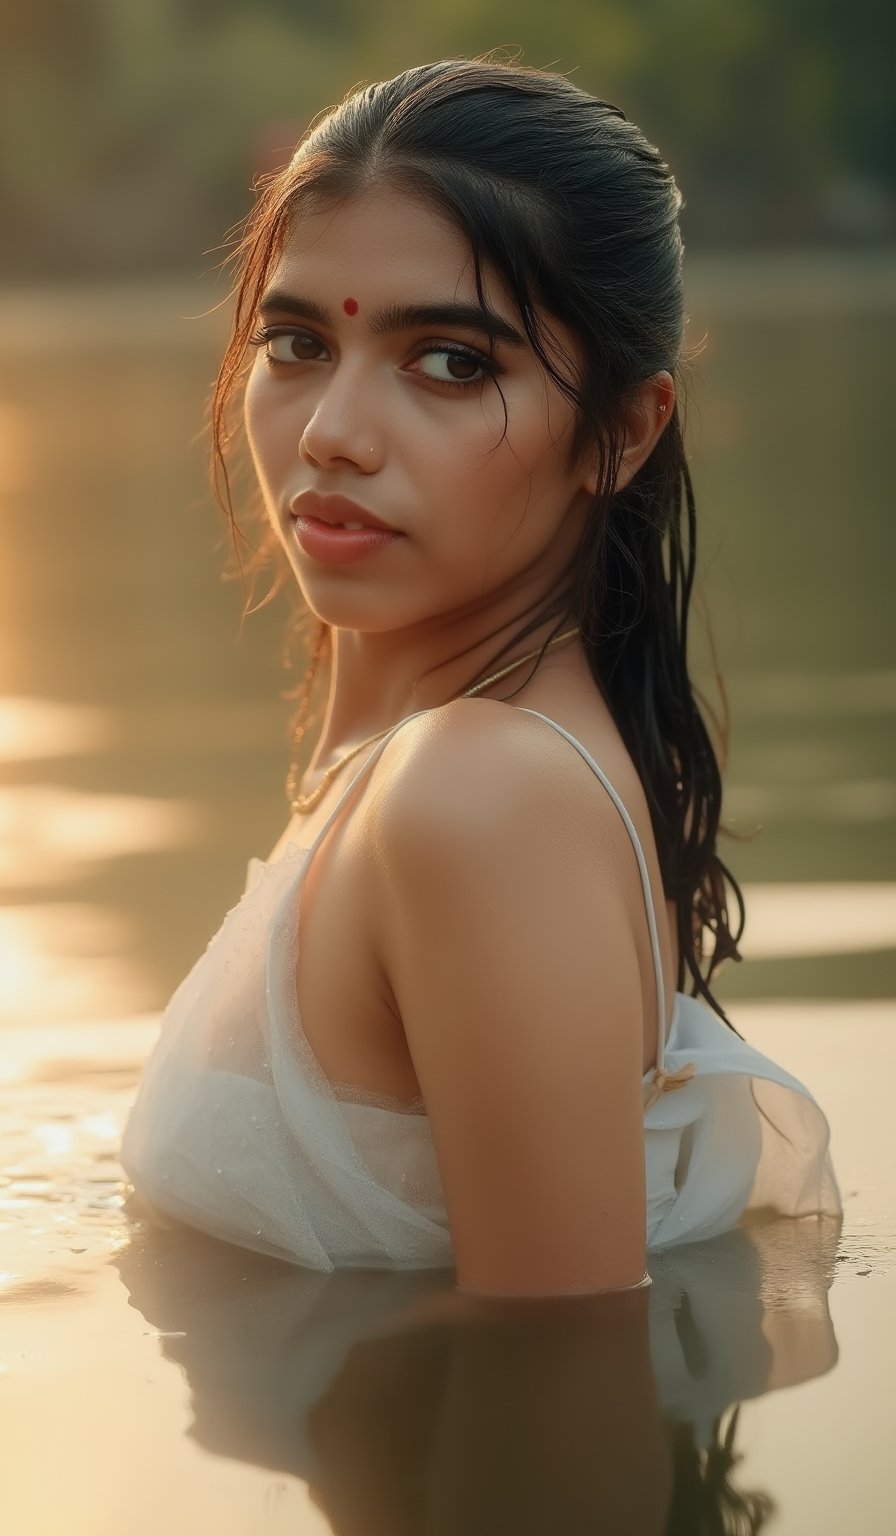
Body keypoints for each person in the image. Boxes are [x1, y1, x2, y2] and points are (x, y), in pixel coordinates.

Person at [120, 57, 842, 1298]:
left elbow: (566, 1412)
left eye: (450, 363)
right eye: (294, 341)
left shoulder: (478, 796)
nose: (332, 430)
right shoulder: (429, 767)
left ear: (621, 432)